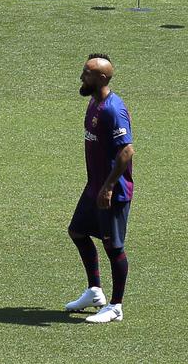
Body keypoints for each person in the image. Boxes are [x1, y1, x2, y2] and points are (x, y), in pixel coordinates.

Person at [64, 54, 134, 323]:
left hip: (112, 191)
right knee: (77, 231)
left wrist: (108, 187)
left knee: (113, 247)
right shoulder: (95, 102)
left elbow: (127, 151)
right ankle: (95, 291)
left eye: (87, 73)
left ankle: (116, 306)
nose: (82, 76)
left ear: (101, 78)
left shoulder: (112, 110)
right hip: (94, 186)